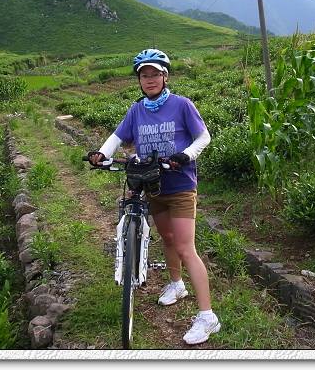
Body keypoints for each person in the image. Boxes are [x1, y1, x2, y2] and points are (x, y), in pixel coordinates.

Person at [88, 48, 220, 345]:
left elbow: (204, 136)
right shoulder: (136, 110)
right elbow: (118, 136)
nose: (149, 79)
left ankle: (208, 316)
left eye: (154, 74)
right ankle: (176, 284)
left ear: (165, 76)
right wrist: (102, 153)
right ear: (139, 79)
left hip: (181, 187)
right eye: (143, 75)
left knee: (186, 247)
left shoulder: (181, 105)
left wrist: (186, 155)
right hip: (153, 186)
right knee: (167, 239)